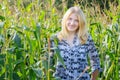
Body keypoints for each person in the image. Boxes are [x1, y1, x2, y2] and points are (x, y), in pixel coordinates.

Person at [49, 6, 101, 80]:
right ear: (65, 19)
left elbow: (96, 62)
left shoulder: (86, 38)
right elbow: (46, 62)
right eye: (70, 19)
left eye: (76, 20)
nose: (72, 23)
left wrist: (93, 79)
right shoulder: (55, 39)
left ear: (81, 23)